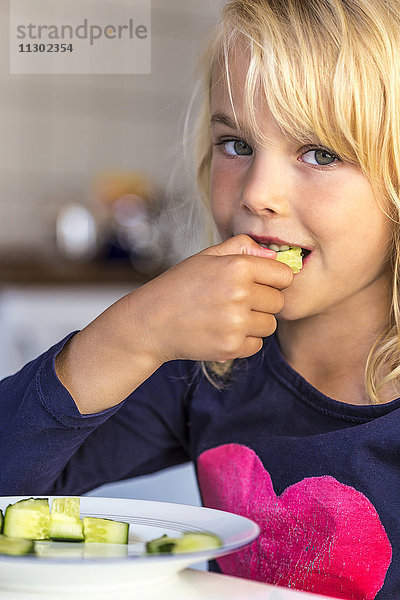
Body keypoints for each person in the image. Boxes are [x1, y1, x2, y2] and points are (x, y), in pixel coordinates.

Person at [0, 0, 399, 597]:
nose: (259, 193)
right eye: (236, 144)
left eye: (320, 154)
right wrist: (130, 336)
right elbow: (13, 493)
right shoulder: (204, 369)